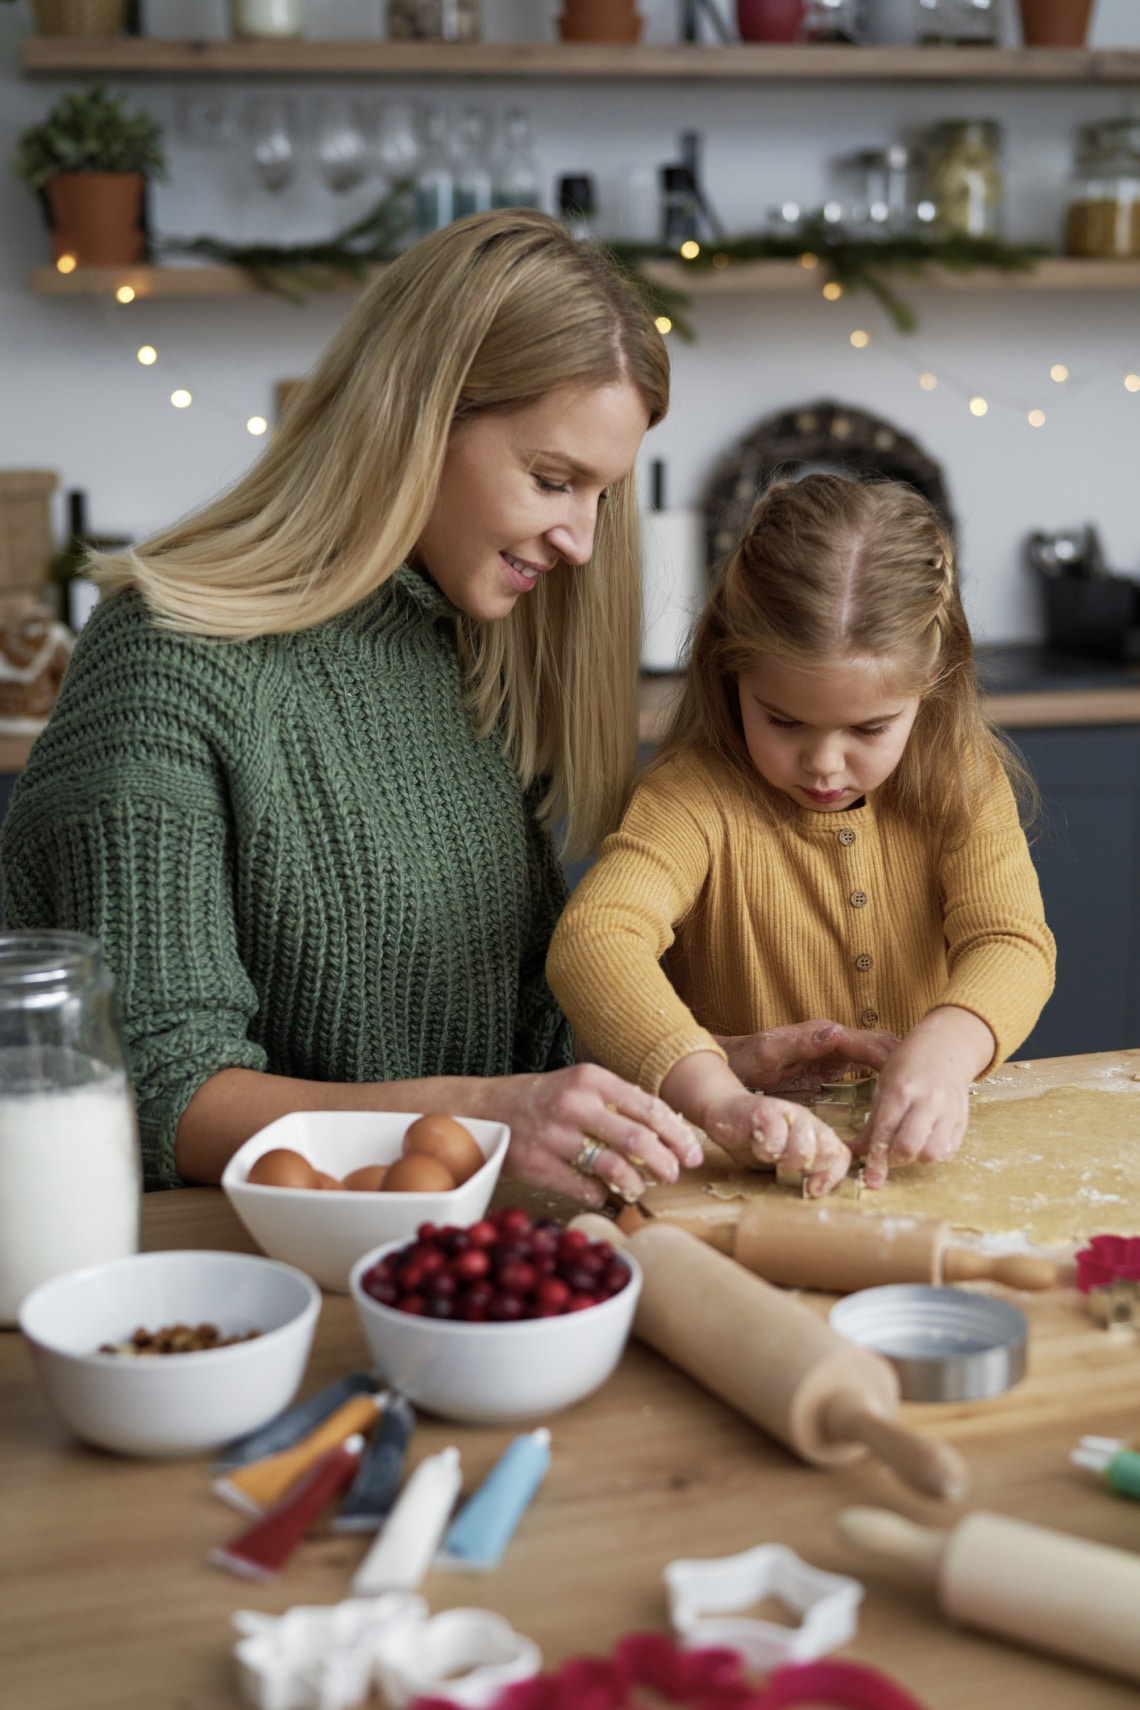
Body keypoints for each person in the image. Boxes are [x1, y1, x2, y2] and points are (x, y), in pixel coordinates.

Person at [0, 212, 874, 1208]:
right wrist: (488, 1116)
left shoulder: (460, 651)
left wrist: (710, 1072)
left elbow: (524, 1042)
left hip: (451, 1256)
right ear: (417, 417)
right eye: (554, 480)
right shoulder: (164, 666)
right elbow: (161, 1094)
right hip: (244, 1286)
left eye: (601, 495)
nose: (581, 540)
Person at [547, 472, 1056, 1194]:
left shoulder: (959, 780)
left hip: (917, 1160)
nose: (823, 763)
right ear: (731, 672)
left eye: (870, 728)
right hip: (730, 1173)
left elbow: (1010, 941)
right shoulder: (692, 797)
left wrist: (945, 1051)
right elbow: (596, 941)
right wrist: (716, 1095)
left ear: (932, 680)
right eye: (783, 720)